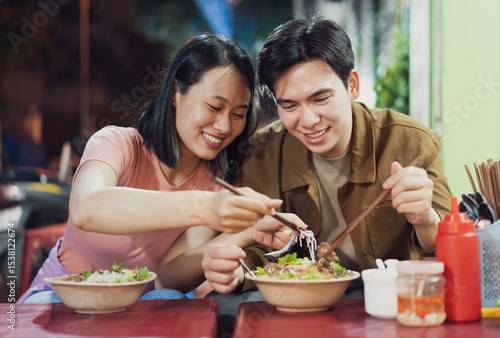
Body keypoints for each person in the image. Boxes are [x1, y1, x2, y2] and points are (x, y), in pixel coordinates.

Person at [201, 17, 453, 334]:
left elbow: (449, 250)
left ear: (352, 85)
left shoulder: (410, 141)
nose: (308, 120)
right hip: (299, 300)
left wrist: (424, 219)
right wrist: (235, 269)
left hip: (382, 297)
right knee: (220, 307)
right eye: (289, 105)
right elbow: (260, 249)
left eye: (321, 98)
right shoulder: (261, 154)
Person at [18, 34, 295, 303]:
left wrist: (246, 233)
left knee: (169, 297)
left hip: (139, 309)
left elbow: (168, 278)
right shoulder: (117, 144)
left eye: (238, 114)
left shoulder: (216, 183)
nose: (224, 126)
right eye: (213, 106)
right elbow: (85, 208)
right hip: (62, 299)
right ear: (175, 92)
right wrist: (205, 205)